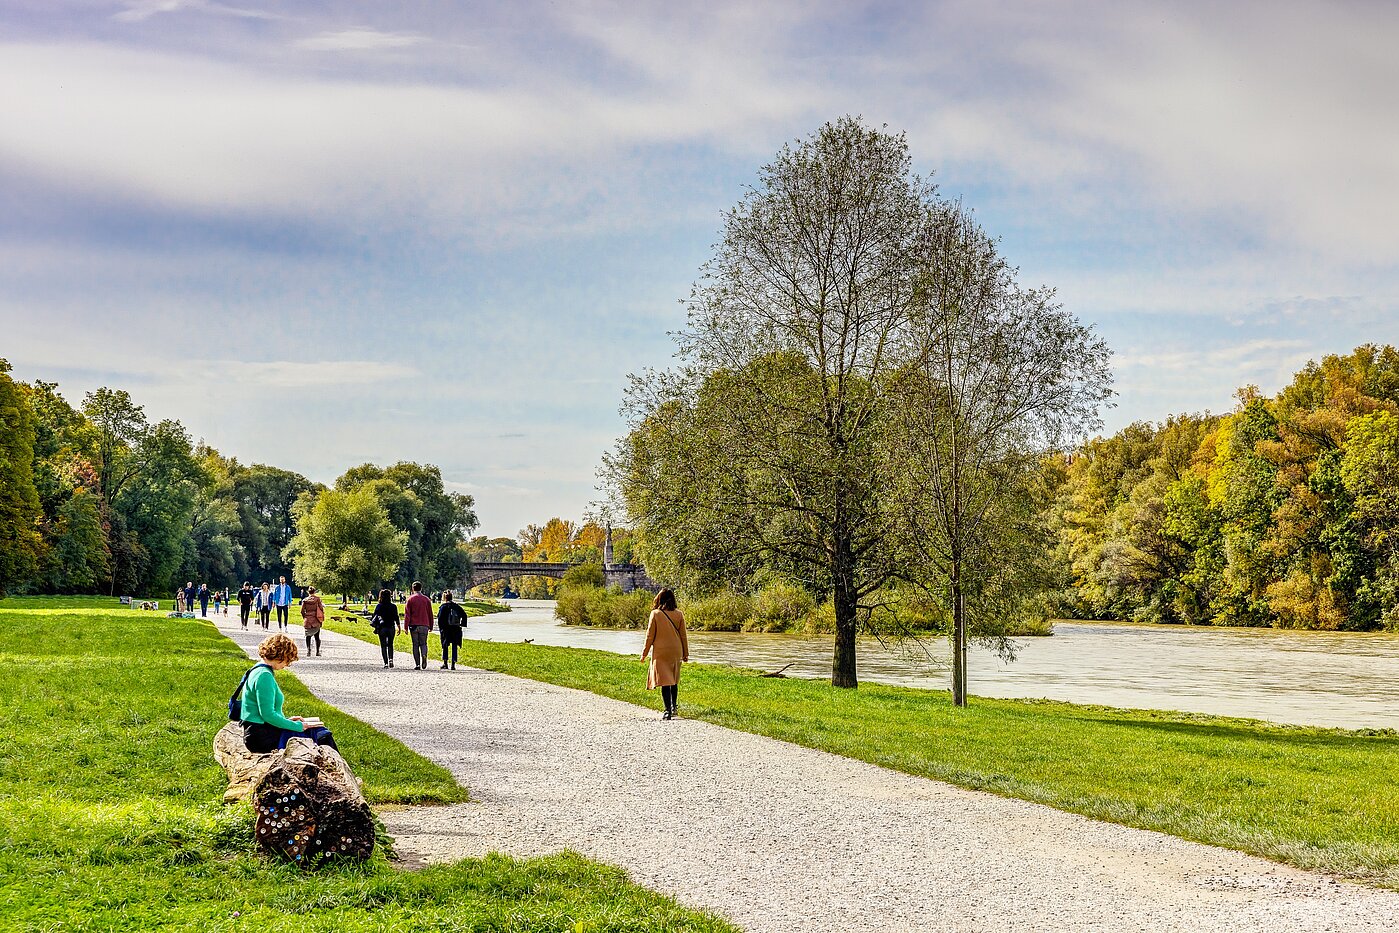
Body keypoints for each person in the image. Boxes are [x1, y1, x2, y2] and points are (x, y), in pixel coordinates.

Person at [237, 633, 338, 753]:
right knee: (321, 734)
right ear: (281, 656)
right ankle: (334, 764)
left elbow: (264, 713)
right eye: (287, 660)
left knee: (318, 731)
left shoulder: (258, 670)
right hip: (262, 737)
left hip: (261, 732)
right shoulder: (264, 676)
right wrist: (298, 726)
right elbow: (268, 715)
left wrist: (287, 720)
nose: (287, 665)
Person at [641, 588, 689, 720]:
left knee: (665, 680)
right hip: (676, 650)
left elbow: (650, 636)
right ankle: (674, 707)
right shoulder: (679, 614)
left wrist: (644, 653)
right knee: (673, 679)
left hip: (661, 651)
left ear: (659, 599)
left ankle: (667, 710)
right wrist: (685, 653)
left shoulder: (655, 614)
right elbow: (683, 636)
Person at [404, 581, 433, 671]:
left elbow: (407, 614)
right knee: (423, 643)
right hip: (424, 624)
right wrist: (431, 625)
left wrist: (405, 627)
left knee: (415, 644)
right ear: (421, 588)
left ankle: (417, 664)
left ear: (413, 589)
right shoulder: (426, 599)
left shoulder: (410, 599)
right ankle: (424, 654)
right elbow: (430, 614)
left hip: (414, 625)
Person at [437, 590, 467, 670]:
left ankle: (445, 663)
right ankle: (453, 664)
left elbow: (440, 618)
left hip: (446, 629)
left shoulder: (443, 607)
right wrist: (461, 624)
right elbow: (464, 615)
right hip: (455, 629)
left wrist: (441, 628)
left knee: (445, 646)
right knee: (454, 646)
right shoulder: (456, 606)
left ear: (444, 598)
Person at [370, 589, 399, 668]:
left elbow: (374, 616)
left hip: (382, 628)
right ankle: (391, 659)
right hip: (391, 627)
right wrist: (399, 627)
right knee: (390, 644)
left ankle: (386, 663)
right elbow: (396, 617)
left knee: (383, 645)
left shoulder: (379, 606)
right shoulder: (393, 606)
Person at [300, 586, 326, 657]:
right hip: (316, 619)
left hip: (308, 620)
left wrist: (305, 617)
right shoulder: (317, 599)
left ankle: (308, 651)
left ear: (308, 592)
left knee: (308, 636)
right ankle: (317, 651)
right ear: (314, 592)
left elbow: (302, 611)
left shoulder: (305, 600)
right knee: (317, 637)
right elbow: (321, 608)